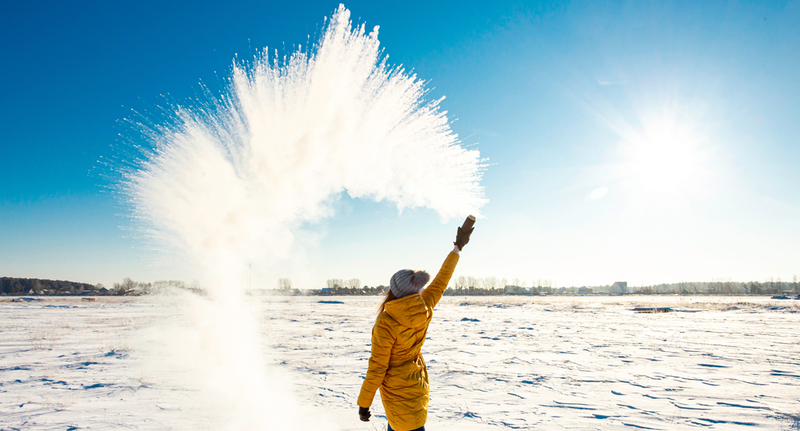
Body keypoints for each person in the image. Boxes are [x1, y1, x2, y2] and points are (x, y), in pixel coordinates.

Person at [357, 221, 475, 431]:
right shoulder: (425, 305)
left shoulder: (387, 322)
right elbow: (440, 281)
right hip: (417, 386)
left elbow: (377, 367)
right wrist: (457, 249)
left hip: (397, 393)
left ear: (393, 290)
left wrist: (364, 403)